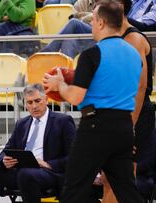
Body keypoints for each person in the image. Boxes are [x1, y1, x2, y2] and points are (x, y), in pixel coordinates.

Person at [43, 1, 144, 202]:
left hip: (96, 127)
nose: (91, 25)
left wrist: (59, 84)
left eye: (93, 19)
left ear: (100, 23)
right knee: (128, 192)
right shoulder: (134, 54)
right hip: (124, 127)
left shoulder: (92, 55)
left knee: (73, 189)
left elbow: (75, 97)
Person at [0, 84, 76, 203]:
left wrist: (47, 164)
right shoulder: (22, 124)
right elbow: (6, 151)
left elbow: (74, 158)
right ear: (26, 104)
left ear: (46, 100)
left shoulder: (63, 121)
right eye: (30, 103)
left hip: (48, 173)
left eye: (37, 101)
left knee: (26, 174)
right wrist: (4, 160)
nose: (34, 106)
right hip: (20, 172)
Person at [100, 0, 154, 202]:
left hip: (133, 115)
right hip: (115, 113)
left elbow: (138, 88)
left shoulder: (134, 38)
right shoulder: (111, 37)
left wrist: (128, 126)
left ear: (119, 6)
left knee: (122, 179)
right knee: (108, 178)